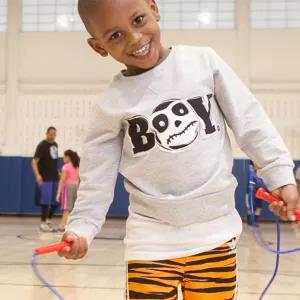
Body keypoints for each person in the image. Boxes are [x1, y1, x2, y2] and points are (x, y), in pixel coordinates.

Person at [59, 1, 300, 299]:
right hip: (150, 242)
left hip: (215, 234)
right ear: (98, 46)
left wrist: (280, 176)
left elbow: (251, 121)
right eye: (115, 36)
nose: (134, 38)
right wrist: (81, 228)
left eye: (138, 20)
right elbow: (96, 179)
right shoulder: (111, 105)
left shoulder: (203, 62)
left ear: (153, 8)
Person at [32, 126, 60, 232]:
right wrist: (37, 175)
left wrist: (57, 172)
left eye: (54, 135)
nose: (52, 137)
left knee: (56, 201)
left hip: (54, 178)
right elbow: (34, 162)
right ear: (46, 133)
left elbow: (53, 160)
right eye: (51, 134)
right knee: (45, 201)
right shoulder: (42, 146)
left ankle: (48, 220)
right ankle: (43, 223)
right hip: (45, 178)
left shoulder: (55, 145)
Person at [56, 150, 80, 232]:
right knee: (74, 208)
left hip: (68, 187)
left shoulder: (66, 167)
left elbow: (62, 180)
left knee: (66, 208)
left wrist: (58, 193)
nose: (63, 158)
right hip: (77, 186)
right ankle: (72, 225)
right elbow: (78, 178)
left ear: (67, 157)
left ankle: (62, 226)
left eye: (64, 156)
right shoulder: (77, 166)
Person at [246, 161, 262, 226]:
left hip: (260, 192)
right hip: (251, 192)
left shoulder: (260, 172)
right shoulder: (250, 171)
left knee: (259, 207)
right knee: (251, 207)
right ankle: (250, 220)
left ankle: (255, 221)